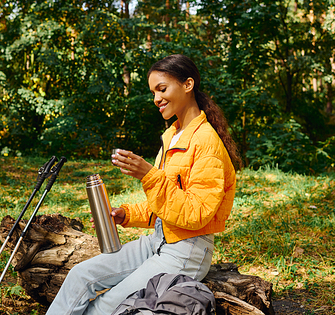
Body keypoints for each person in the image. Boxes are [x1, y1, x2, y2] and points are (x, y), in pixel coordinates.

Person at [46, 54, 241, 315]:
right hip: (158, 240)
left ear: (188, 84)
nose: (156, 99)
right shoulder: (173, 135)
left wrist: (149, 175)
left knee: (105, 307)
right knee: (81, 276)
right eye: (153, 92)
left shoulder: (207, 143)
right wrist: (125, 214)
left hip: (186, 250)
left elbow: (196, 214)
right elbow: (165, 205)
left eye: (162, 89)